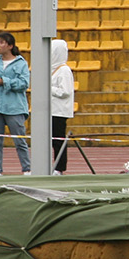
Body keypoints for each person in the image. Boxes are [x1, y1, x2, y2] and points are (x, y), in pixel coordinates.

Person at [0, 32, 31, 175]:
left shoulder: (21, 63)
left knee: (19, 140)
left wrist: (6, 82)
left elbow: (24, 83)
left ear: (10, 46)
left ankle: (27, 168)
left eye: (1, 42)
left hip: (15, 107)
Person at [50, 39, 75, 174]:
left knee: (58, 140)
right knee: (51, 140)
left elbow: (65, 91)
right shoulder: (51, 69)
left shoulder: (64, 70)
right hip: (51, 110)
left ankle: (59, 167)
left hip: (59, 111)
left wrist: (48, 88)